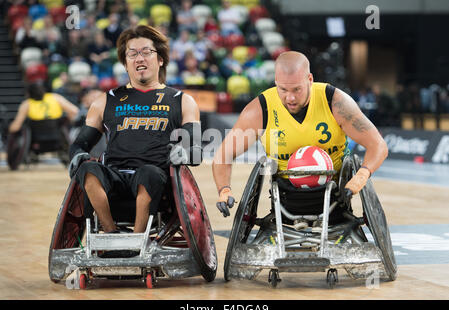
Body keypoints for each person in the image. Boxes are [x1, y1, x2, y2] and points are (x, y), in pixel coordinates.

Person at [212, 51, 388, 217]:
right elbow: (224, 154)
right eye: (283, 90)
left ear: (310, 79)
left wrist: (363, 174)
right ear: (275, 82)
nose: (290, 98)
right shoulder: (259, 109)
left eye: (297, 89)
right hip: (286, 194)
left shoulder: (334, 101)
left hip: (335, 191)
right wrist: (224, 190)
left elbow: (378, 144)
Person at [68, 25, 202, 234]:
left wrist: (185, 151)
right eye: (132, 54)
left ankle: (138, 238)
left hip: (155, 178)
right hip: (113, 178)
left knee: (148, 173)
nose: (139, 58)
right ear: (125, 63)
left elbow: (194, 147)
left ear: (160, 59)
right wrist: (77, 154)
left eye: (146, 52)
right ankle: (111, 233)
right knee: (88, 169)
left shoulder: (182, 101)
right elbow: (80, 143)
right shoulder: (105, 101)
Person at [8, 82, 79, 133]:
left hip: (36, 139)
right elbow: (75, 111)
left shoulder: (27, 103)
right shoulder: (55, 97)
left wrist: (8, 129)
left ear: (28, 94)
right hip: (57, 136)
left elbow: (16, 127)